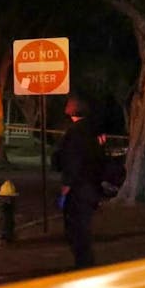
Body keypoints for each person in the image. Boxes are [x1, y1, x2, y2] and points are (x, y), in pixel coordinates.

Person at [54, 95, 105, 268]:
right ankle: (84, 263)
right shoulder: (93, 131)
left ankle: (83, 265)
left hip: (79, 188)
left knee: (76, 229)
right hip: (92, 185)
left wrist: (66, 186)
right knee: (83, 227)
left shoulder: (75, 132)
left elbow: (72, 160)